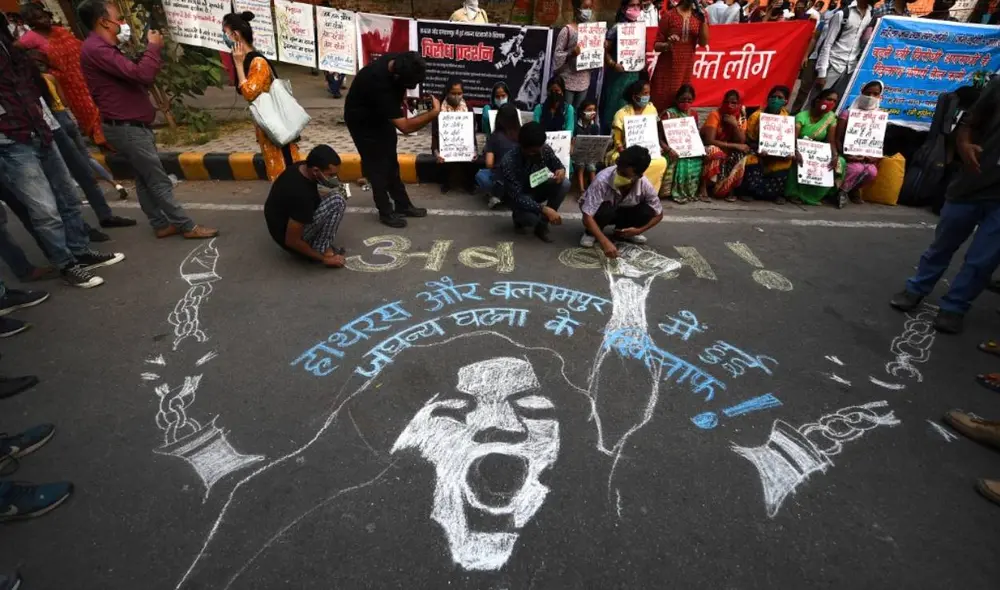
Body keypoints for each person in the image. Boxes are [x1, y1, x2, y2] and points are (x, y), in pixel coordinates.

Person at [0, 12, 122, 289]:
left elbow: (30, 86)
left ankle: (79, 251)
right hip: (12, 140)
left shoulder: (11, 46)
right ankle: (66, 264)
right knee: (45, 209)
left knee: (67, 196)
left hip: (41, 128)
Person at [78, 0, 218, 240]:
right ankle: (186, 226)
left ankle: (160, 223)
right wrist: (153, 48)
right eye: (119, 19)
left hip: (129, 126)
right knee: (158, 180)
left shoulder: (103, 48)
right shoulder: (97, 49)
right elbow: (142, 74)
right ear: (103, 21)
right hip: (127, 128)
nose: (123, 23)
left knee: (144, 178)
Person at [888, 76, 1000, 335]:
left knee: (983, 260)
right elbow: (968, 123)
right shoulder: (997, 86)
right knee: (942, 245)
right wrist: (964, 145)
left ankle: (955, 307)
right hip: (972, 183)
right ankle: (916, 289)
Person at [33, 52, 136, 230]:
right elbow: (63, 101)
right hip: (62, 119)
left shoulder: (28, 84)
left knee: (63, 176)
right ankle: (109, 199)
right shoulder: (50, 78)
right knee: (84, 164)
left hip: (49, 125)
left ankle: (81, 225)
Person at [345, 51, 436, 228]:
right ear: (397, 76)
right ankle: (385, 212)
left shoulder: (398, 61)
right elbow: (406, 127)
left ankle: (403, 205)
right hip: (362, 122)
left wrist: (406, 102)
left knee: (391, 161)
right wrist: (433, 113)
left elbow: (397, 93)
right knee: (376, 166)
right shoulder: (378, 84)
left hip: (380, 115)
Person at [225, 11, 301, 182]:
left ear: (235, 35)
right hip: (267, 126)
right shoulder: (248, 60)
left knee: (284, 170)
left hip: (275, 125)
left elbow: (249, 92)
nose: (225, 38)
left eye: (226, 33)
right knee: (277, 169)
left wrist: (237, 64)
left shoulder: (257, 62)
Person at [16, 4, 107, 148]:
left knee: (105, 109)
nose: (45, 19)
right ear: (30, 22)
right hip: (69, 85)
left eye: (45, 15)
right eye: (39, 18)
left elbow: (80, 48)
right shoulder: (30, 38)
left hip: (87, 76)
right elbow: (15, 52)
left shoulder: (60, 31)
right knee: (91, 117)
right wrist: (39, 63)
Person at [264, 145, 347, 268]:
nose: (333, 178)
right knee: (337, 201)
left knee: (334, 193)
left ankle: (318, 245)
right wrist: (324, 259)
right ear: (315, 171)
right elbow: (292, 241)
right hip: (286, 236)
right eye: (330, 175)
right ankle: (320, 248)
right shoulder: (301, 195)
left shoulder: (301, 167)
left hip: (282, 221)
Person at [579, 145, 664, 257]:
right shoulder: (602, 180)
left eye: (624, 174)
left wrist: (638, 230)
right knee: (606, 209)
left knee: (647, 210)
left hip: (623, 210)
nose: (618, 175)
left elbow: (659, 214)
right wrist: (605, 242)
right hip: (602, 212)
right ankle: (591, 233)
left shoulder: (644, 185)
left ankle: (624, 232)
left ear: (638, 176)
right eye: (618, 169)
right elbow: (587, 215)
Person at [498, 122, 569, 243]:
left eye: (540, 149)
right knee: (530, 220)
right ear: (522, 146)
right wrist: (545, 209)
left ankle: (542, 225)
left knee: (565, 184)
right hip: (519, 196)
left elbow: (557, 164)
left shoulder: (544, 149)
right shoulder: (508, 162)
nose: (539, 153)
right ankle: (519, 218)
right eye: (533, 152)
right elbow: (517, 196)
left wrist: (561, 171)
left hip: (537, 187)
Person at [607, 80, 668, 192]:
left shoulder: (651, 109)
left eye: (648, 93)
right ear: (635, 96)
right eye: (644, 93)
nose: (647, 96)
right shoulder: (621, 113)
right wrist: (625, 153)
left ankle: (649, 192)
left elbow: (654, 132)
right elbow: (617, 140)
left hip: (647, 151)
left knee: (661, 161)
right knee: (624, 162)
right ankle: (627, 192)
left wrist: (657, 147)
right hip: (625, 150)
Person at [650, 0, 708, 114]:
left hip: (686, 67)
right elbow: (656, 46)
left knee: (682, 101)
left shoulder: (698, 17)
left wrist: (704, 20)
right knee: (663, 102)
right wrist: (667, 44)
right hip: (668, 68)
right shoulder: (669, 16)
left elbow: (703, 42)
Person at [786, 88, 842, 205]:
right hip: (800, 149)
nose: (831, 103)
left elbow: (831, 141)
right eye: (828, 99)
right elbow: (793, 138)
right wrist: (796, 151)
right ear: (818, 101)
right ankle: (793, 194)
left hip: (818, 152)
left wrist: (835, 155)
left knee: (840, 162)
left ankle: (815, 195)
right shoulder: (802, 116)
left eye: (834, 101)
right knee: (795, 159)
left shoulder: (831, 118)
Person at [810, 0, 872, 102]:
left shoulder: (870, 14)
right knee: (816, 101)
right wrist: (822, 73)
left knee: (836, 103)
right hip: (833, 64)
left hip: (850, 68)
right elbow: (827, 43)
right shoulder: (842, 14)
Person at [834, 80, 883, 208]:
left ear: (879, 96)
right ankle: (842, 191)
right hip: (848, 154)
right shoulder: (847, 113)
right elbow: (837, 139)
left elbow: (877, 142)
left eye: (875, 94)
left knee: (872, 172)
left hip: (866, 157)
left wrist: (873, 156)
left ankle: (854, 189)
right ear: (862, 93)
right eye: (868, 93)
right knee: (855, 169)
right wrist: (845, 155)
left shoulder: (879, 117)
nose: (870, 97)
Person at [743, 85, 794, 203]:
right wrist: (758, 148)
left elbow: (789, 140)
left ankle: (775, 194)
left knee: (787, 162)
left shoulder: (787, 118)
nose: (776, 99)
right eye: (773, 97)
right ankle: (747, 191)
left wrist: (789, 151)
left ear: (785, 101)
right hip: (758, 151)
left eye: (779, 97)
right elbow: (748, 139)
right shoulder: (756, 116)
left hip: (778, 154)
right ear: (768, 99)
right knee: (751, 159)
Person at [601, 0, 644, 134]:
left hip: (634, 74)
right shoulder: (616, 28)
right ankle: (610, 137)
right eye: (632, 5)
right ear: (624, 8)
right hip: (617, 76)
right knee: (614, 106)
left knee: (631, 105)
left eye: (638, 5)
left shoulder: (640, 28)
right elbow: (605, 50)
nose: (636, 8)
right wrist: (613, 64)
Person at [700, 89, 749, 202]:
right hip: (712, 148)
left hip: (728, 150)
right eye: (726, 102)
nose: (729, 105)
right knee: (714, 151)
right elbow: (709, 140)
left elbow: (741, 141)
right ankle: (703, 188)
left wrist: (735, 126)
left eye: (733, 103)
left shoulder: (740, 118)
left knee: (742, 153)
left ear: (739, 104)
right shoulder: (715, 114)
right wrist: (734, 146)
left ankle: (728, 188)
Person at [658, 84, 703, 204]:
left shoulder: (693, 114)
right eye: (683, 100)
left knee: (696, 159)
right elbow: (659, 138)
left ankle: (690, 192)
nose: (686, 102)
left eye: (689, 100)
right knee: (679, 160)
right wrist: (669, 149)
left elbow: (694, 135)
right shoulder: (668, 114)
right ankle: (673, 191)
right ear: (676, 100)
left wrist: (696, 148)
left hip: (687, 147)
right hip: (669, 148)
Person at [431, 77, 477, 194]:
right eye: (453, 93)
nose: (456, 96)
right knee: (444, 161)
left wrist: (474, 150)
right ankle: (446, 183)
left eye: (459, 93)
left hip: (464, 147)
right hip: (446, 147)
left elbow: (472, 132)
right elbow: (435, 133)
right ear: (447, 92)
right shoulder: (439, 109)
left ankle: (468, 184)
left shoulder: (468, 108)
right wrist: (436, 152)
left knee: (470, 161)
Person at [551, 0, 596, 111]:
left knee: (579, 111)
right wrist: (571, 54)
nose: (588, 11)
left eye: (590, 8)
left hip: (584, 79)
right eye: (585, 8)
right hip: (568, 80)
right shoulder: (567, 30)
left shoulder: (593, 31)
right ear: (577, 9)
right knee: (566, 111)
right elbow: (557, 54)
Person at [476, 103, 522, 209]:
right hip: (520, 180)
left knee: (480, 175)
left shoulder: (495, 136)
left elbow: (489, 163)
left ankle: (496, 195)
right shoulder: (523, 135)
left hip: (501, 179)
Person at [573, 99, 601, 193]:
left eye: (593, 110)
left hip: (591, 153)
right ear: (582, 112)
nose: (592, 112)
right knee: (581, 165)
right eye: (589, 110)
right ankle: (581, 189)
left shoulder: (595, 127)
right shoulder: (576, 126)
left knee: (592, 166)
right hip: (579, 153)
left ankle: (593, 189)